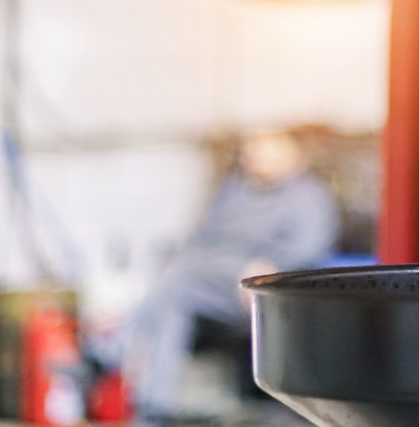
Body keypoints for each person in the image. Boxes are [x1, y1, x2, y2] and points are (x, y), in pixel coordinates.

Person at [124, 129, 340, 419]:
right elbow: (202, 238)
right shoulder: (234, 191)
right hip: (214, 279)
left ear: (294, 158)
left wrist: (266, 264)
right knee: (174, 301)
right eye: (254, 155)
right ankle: (154, 405)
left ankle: (109, 356)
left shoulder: (307, 198)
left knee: (178, 279)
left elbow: (309, 248)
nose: (260, 162)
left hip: (264, 287)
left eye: (270, 155)